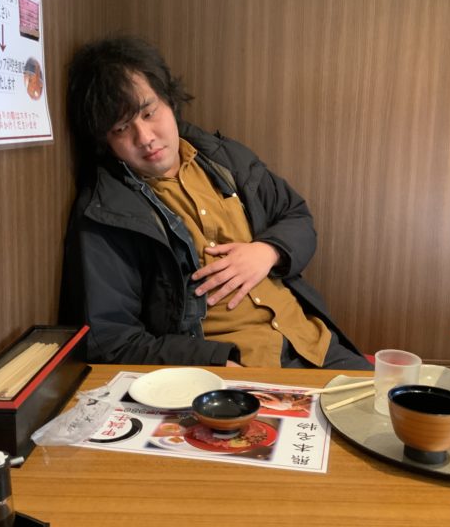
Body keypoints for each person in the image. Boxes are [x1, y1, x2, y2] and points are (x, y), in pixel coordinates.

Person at [59, 35, 372, 370]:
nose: (145, 138)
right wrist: (215, 364)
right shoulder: (105, 213)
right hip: (236, 368)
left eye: (149, 113)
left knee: (391, 400)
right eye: (122, 128)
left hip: (312, 343)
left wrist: (268, 251)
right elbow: (111, 341)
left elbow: (296, 215)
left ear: (169, 101)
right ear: (105, 142)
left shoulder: (224, 157)